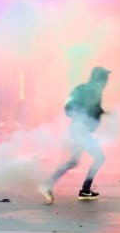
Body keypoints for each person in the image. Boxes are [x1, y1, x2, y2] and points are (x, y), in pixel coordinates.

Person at [39, 67, 110, 204]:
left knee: (74, 161)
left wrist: (101, 113)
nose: (105, 84)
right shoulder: (84, 90)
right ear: (98, 79)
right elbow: (69, 106)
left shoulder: (93, 92)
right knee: (99, 158)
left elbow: (92, 112)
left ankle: (48, 184)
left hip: (80, 130)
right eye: (104, 80)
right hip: (79, 130)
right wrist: (81, 117)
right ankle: (84, 190)